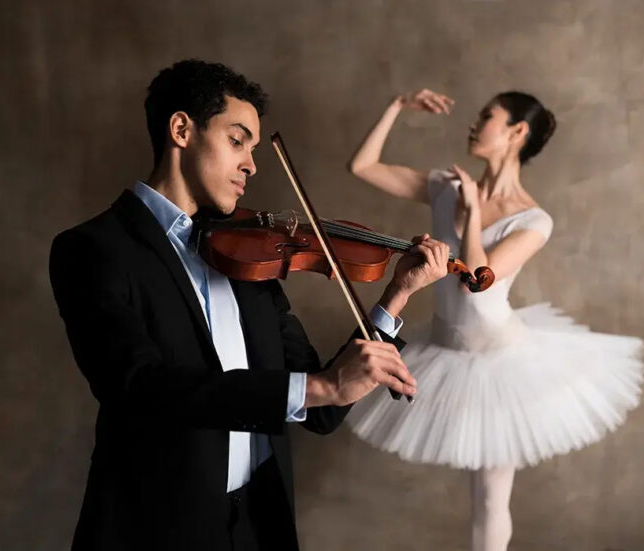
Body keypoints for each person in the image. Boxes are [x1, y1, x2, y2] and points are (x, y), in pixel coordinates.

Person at [49, 60, 451, 551]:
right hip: (159, 527)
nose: (251, 165)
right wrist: (320, 386)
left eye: (255, 149)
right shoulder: (95, 248)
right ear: (181, 130)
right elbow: (138, 388)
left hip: (259, 522)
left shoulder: (243, 252)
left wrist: (398, 293)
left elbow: (321, 404)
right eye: (237, 141)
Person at [344, 88, 644, 551]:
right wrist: (395, 106)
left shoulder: (534, 220)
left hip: (500, 363)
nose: (473, 122)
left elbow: (478, 280)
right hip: (444, 351)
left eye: (487, 116)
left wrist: (472, 214)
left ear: (516, 132)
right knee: (480, 496)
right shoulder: (447, 185)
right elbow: (362, 168)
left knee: (490, 498)